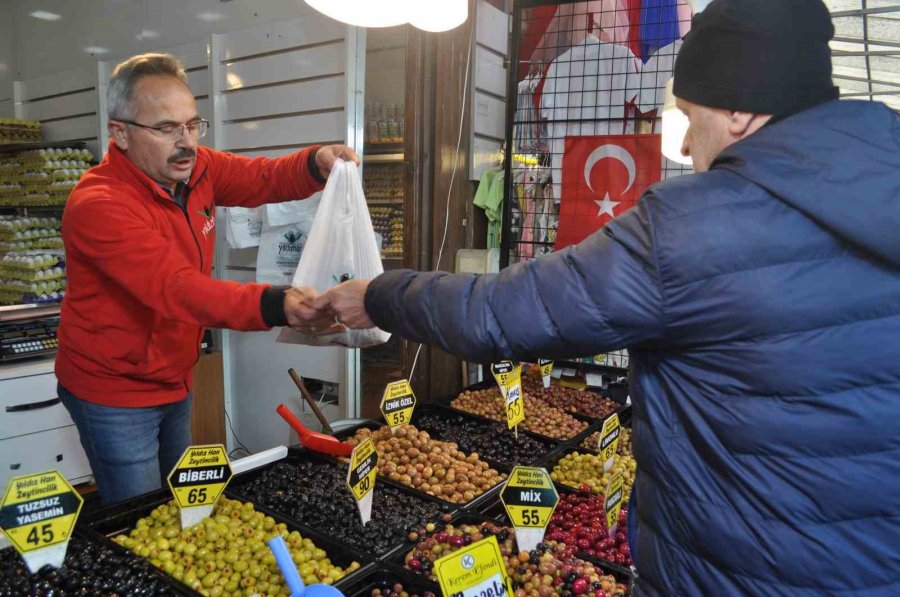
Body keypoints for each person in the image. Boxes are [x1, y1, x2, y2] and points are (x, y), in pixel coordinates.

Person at [317, 1, 900, 594]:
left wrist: (380, 293)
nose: (688, 147)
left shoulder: (697, 225)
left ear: (740, 110)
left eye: (689, 118)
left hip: (740, 572)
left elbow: (501, 315)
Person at [57, 52, 354, 505]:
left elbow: (262, 178)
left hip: (174, 374)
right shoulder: (98, 204)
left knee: (178, 503)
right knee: (138, 515)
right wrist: (278, 304)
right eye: (166, 128)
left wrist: (315, 163)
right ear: (119, 133)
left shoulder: (197, 170)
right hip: (113, 390)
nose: (186, 142)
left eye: (193, 125)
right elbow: (176, 288)